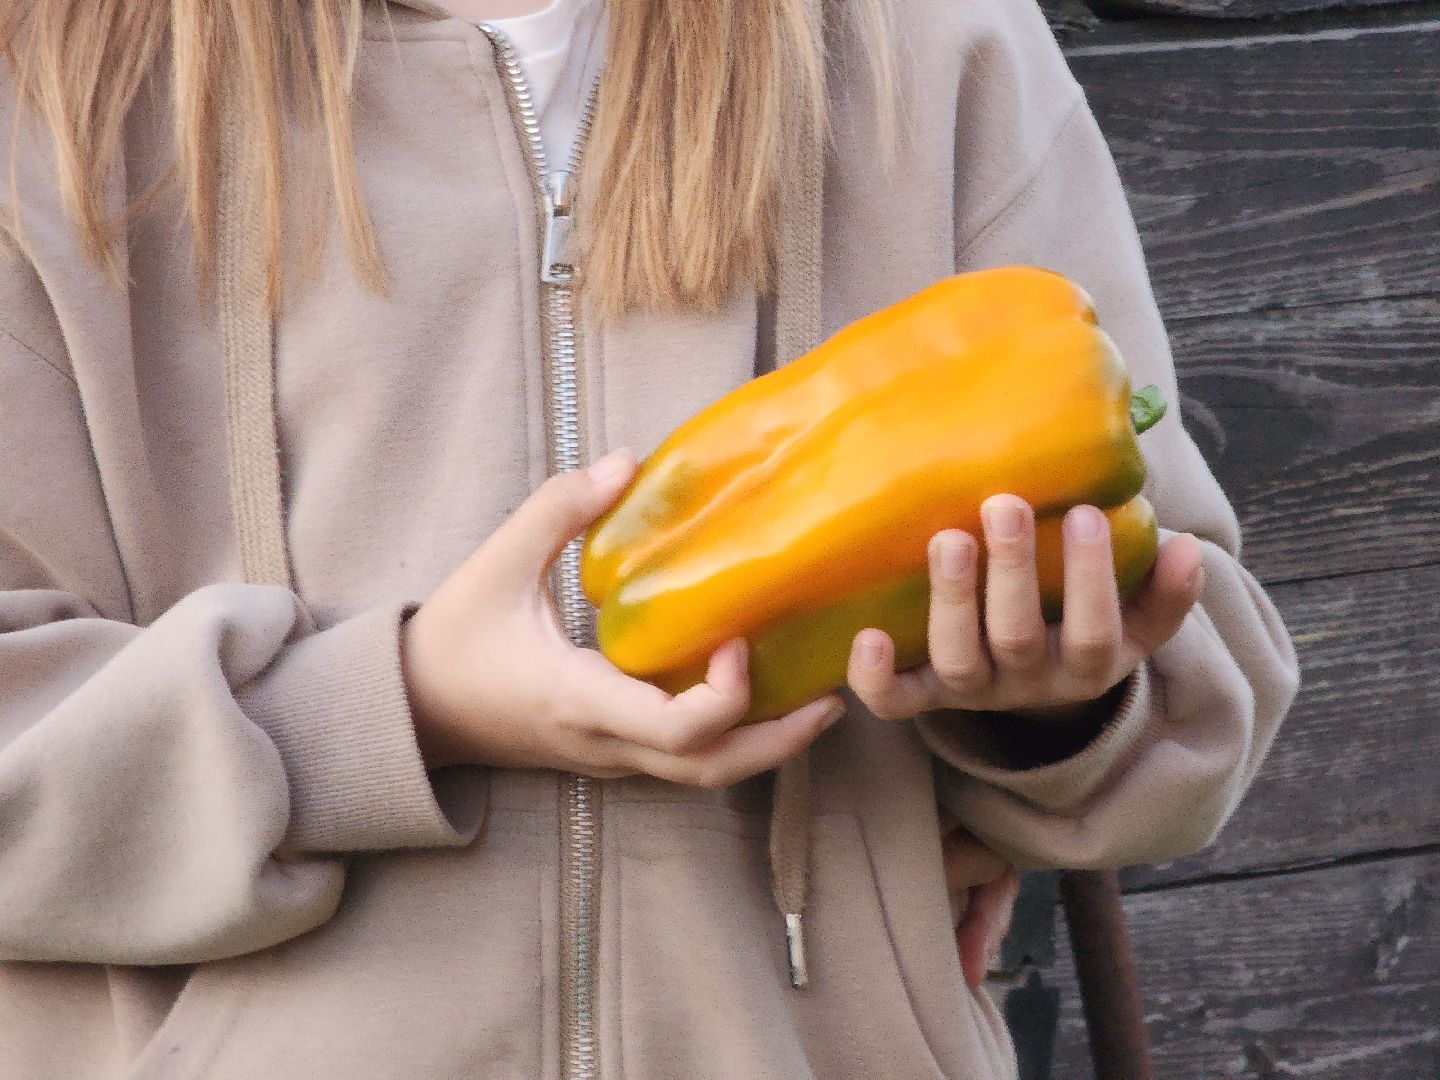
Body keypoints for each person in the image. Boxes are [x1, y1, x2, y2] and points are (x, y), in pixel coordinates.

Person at [0, 0, 1300, 1076]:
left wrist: (1052, 711)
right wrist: (401, 709)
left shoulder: (926, 40)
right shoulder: (52, 82)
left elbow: (1199, 702)